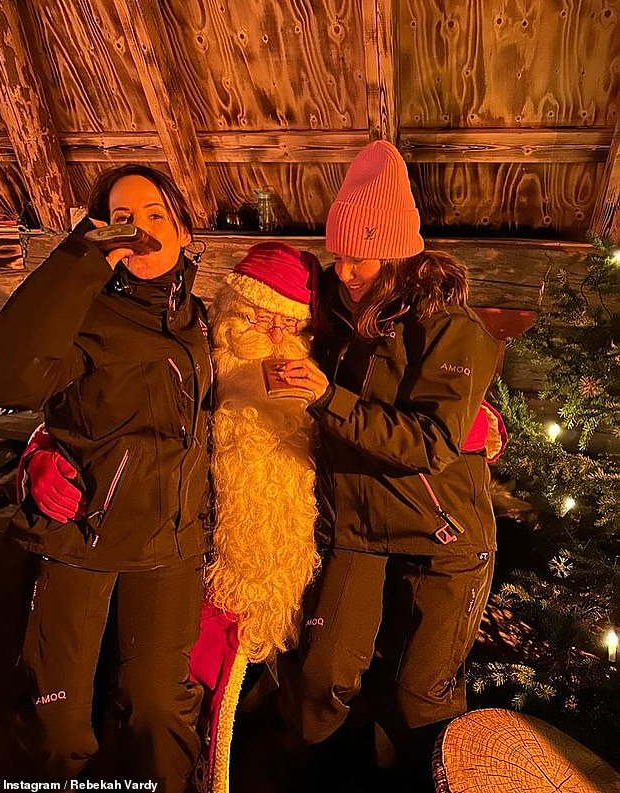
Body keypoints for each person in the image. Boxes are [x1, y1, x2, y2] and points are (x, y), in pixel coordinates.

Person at [277, 140, 503, 790]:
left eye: (362, 254)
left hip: (443, 536)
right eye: (338, 253)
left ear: (401, 251)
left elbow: (431, 441)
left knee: (418, 699)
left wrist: (327, 397)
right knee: (322, 677)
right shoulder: (336, 318)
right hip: (359, 527)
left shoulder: (450, 328)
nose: (346, 269)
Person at [0, 164, 212, 790]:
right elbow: (5, 377)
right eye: (121, 217)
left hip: (171, 545)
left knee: (160, 712)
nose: (138, 228)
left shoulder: (208, 325)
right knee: (57, 731)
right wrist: (80, 257)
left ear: (186, 233)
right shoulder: (84, 315)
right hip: (80, 536)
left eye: (155, 214)